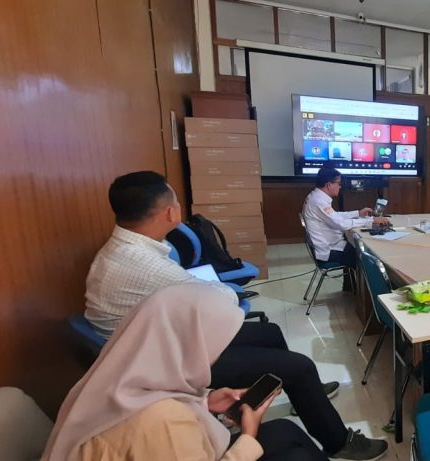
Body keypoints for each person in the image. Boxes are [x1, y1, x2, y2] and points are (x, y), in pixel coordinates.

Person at [84, 171, 387, 460]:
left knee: (270, 333)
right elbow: (220, 299)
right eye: (175, 201)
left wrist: (205, 287)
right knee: (300, 366)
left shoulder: (125, 247)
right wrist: (217, 288)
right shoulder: (144, 264)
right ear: (169, 212)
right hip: (163, 362)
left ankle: (300, 393)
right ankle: (339, 442)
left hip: (158, 345)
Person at [45, 284, 321, 460]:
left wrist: (204, 403)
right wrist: (248, 437)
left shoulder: (111, 380)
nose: (217, 354)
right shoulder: (164, 421)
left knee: (285, 431)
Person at [303, 165, 390, 290]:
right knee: (368, 256)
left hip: (330, 245)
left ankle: (351, 288)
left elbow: (335, 216)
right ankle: (371, 294)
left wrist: (358, 213)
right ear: (329, 185)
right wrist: (371, 221)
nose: (340, 186)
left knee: (357, 245)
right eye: (338, 183)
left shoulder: (316, 196)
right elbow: (341, 224)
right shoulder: (319, 201)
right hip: (329, 251)